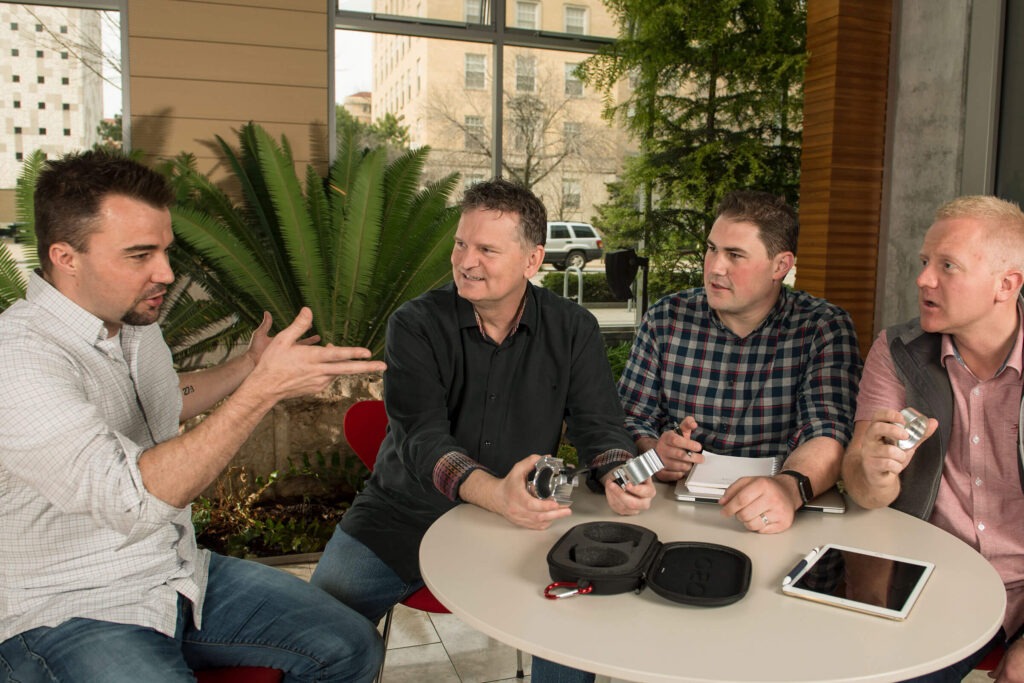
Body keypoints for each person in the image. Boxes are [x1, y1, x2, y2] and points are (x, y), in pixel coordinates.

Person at [0, 150, 387, 682]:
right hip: (67, 607)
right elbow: (133, 501)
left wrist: (250, 367)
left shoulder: (133, 326)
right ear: (67, 257)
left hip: (174, 572)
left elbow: (167, 400)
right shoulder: (19, 357)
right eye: (140, 255)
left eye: (165, 250)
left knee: (349, 645)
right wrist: (262, 393)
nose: (166, 272)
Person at [310, 178, 655, 681]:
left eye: (487, 249)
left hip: (522, 527)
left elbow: (600, 428)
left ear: (532, 260)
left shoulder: (573, 328)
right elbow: (421, 439)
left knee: (572, 636)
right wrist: (495, 492)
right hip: (400, 519)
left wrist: (618, 472)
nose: (466, 261)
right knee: (310, 635)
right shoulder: (414, 324)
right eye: (460, 244)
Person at [842, 195, 1024, 682]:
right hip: (931, 579)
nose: (924, 278)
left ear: (1006, 285)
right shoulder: (897, 350)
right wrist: (874, 471)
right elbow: (861, 490)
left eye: (948, 265)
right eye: (925, 262)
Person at [618, 190, 862, 534]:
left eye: (735, 255)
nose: (715, 267)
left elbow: (827, 431)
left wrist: (788, 488)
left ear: (781, 266)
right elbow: (630, 415)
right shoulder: (666, 318)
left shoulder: (821, 328)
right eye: (712, 248)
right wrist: (656, 453)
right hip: (670, 514)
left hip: (783, 517)